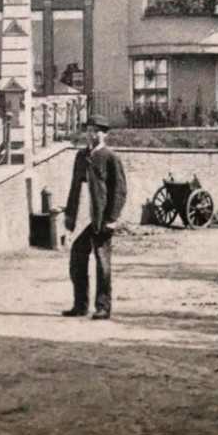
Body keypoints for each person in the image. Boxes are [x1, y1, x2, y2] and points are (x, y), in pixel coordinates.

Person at [62, 115, 127, 320]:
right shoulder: (81, 156)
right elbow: (74, 187)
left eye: (96, 131)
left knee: (102, 264)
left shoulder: (110, 157)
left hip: (100, 218)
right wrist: (70, 214)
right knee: (77, 261)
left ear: (104, 134)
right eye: (88, 130)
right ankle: (80, 305)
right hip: (82, 216)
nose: (91, 135)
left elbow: (120, 190)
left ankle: (103, 306)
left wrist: (112, 218)